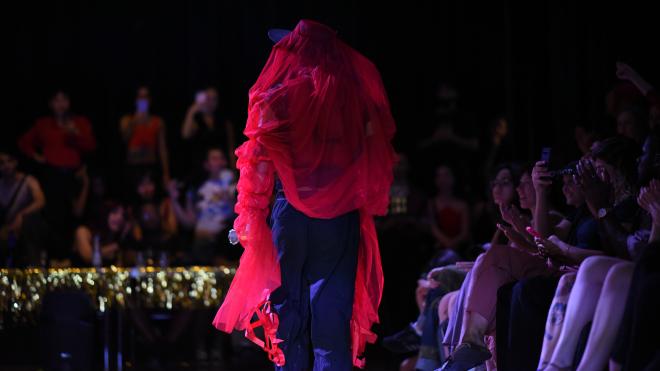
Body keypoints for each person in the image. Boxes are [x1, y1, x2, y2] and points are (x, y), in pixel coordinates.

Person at [212, 19, 396, 371]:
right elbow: (372, 150)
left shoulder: (278, 98)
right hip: (338, 216)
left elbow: (259, 160)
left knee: (288, 313)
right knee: (331, 317)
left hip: (290, 215)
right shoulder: (352, 98)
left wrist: (250, 216)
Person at [18, 90, 96, 260]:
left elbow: (91, 146)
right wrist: (36, 156)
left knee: (75, 216)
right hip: (53, 177)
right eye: (56, 100)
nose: (60, 104)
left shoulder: (79, 123)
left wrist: (75, 134)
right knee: (54, 218)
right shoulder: (43, 124)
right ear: (51, 104)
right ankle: (55, 259)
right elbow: (24, 143)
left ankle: (74, 257)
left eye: (64, 100)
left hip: (74, 176)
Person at [0, 150, 46, 266]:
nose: (6, 166)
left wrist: (21, 216)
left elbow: (40, 201)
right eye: (2, 163)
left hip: (26, 229)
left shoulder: (28, 181)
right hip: (6, 229)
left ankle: (34, 267)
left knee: (30, 222)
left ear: (15, 162)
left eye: (9, 161)